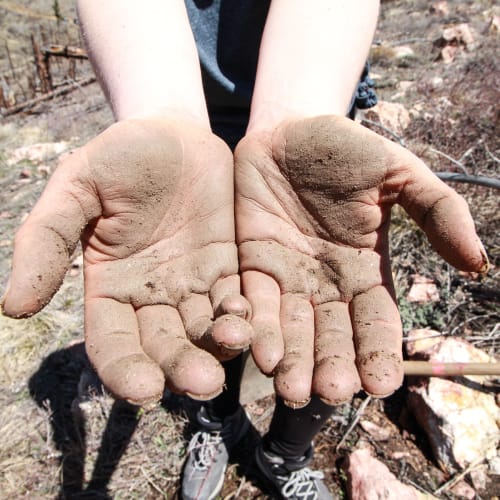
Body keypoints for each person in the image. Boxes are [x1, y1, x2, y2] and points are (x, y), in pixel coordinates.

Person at [1, 1, 488, 499]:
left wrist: (295, 112)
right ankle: (216, 423)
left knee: (327, 328)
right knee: (210, 308)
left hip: (314, 109)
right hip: (180, 118)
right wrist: (162, 114)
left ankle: (284, 454)